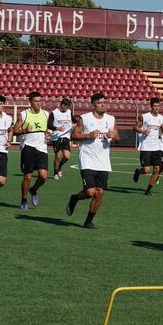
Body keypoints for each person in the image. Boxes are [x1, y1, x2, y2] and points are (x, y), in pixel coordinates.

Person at [66, 92, 118, 229]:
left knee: (99, 193)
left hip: (104, 162)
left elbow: (117, 136)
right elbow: (73, 136)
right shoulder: (85, 118)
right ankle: (75, 198)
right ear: (93, 104)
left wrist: (114, 135)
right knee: (90, 192)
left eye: (104, 102)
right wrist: (88, 135)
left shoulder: (111, 119)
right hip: (87, 159)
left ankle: (88, 221)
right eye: (100, 103)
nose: (103, 105)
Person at [13, 91, 50, 210]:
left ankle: (33, 189)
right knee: (27, 177)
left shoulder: (46, 114)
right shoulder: (23, 114)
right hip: (28, 147)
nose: (39, 103)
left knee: (43, 176)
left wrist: (48, 134)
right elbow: (15, 131)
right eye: (36, 101)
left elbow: (47, 130)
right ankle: (23, 200)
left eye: (40, 101)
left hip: (42, 148)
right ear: (30, 102)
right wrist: (25, 130)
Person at [133, 97, 163, 195]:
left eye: (158, 106)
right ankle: (138, 172)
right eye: (155, 106)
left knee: (157, 169)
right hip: (146, 147)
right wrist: (142, 131)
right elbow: (135, 127)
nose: (157, 108)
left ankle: (148, 190)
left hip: (157, 147)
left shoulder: (161, 118)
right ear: (151, 106)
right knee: (146, 170)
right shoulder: (144, 117)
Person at [49, 98, 75, 180]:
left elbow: (74, 120)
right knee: (58, 156)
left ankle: (59, 166)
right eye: (66, 107)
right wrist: (57, 128)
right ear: (62, 105)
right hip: (56, 137)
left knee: (67, 156)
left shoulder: (69, 112)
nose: (67, 109)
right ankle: (55, 172)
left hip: (66, 137)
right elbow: (49, 125)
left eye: (68, 107)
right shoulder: (54, 113)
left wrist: (76, 123)